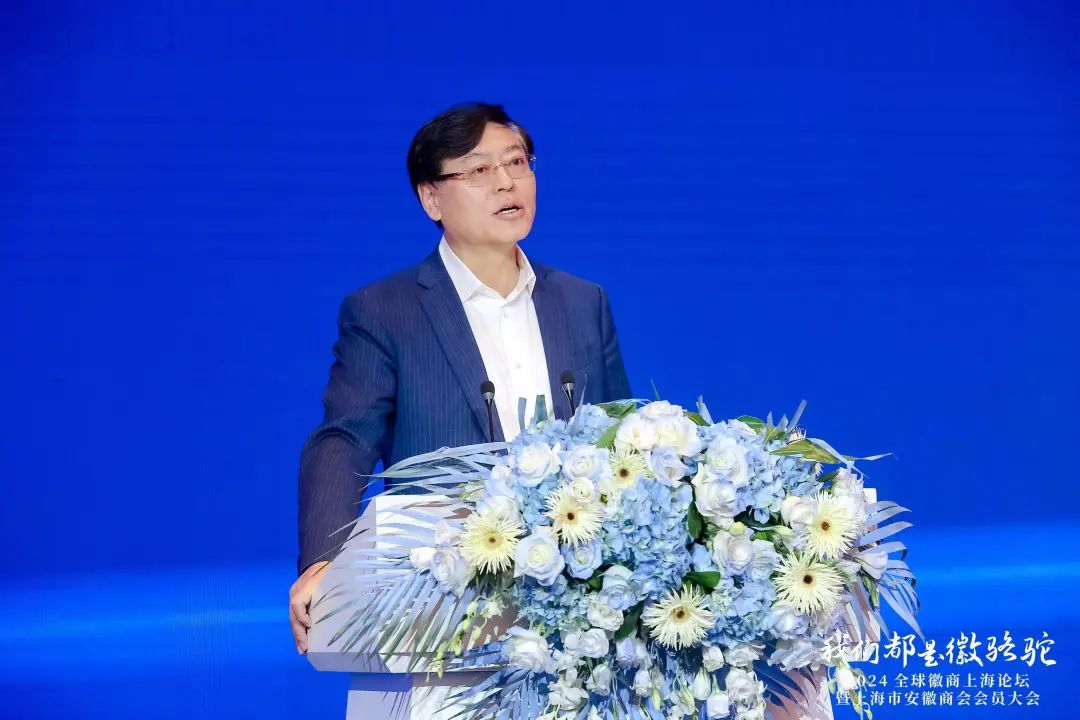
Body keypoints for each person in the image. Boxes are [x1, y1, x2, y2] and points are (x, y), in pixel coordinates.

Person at [289, 102, 632, 653]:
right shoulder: (387, 311)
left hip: (574, 613)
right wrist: (322, 562)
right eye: (478, 170)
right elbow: (345, 437)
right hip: (442, 608)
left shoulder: (581, 301)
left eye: (516, 162)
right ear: (431, 198)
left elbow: (623, 441)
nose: (506, 182)